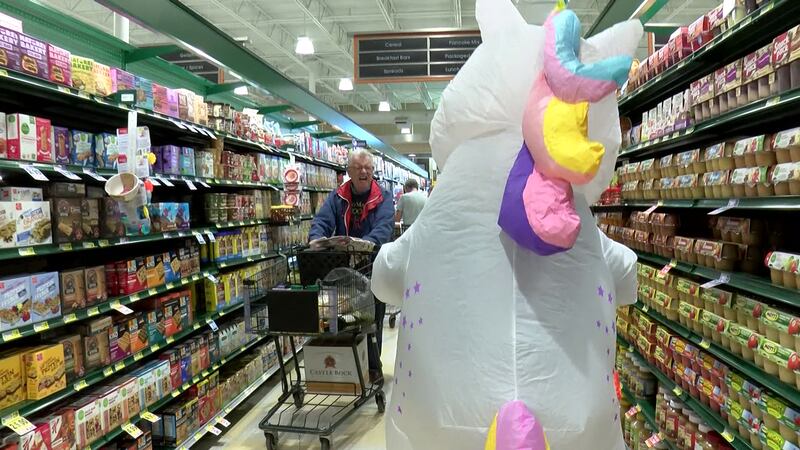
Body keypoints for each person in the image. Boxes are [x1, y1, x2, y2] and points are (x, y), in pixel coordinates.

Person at [308, 148, 394, 379]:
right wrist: (316, 238)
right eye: (358, 168)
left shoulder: (384, 197)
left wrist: (364, 245)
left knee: (372, 318)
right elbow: (322, 220)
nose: (363, 172)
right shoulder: (338, 197)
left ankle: (373, 367)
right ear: (349, 171)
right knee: (344, 316)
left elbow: (384, 228)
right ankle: (348, 367)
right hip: (343, 268)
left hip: (372, 265)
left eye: (368, 168)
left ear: (373, 171)